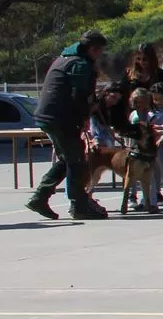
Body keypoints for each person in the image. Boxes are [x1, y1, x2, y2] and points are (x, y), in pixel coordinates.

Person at [28, 29, 110, 220]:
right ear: (92, 48)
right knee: (76, 161)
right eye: (99, 50)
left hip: (51, 117)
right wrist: (84, 117)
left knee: (69, 158)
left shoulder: (64, 58)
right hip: (61, 118)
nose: (100, 54)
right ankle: (79, 205)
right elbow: (79, 96)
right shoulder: (80, 65)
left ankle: (41, 197)